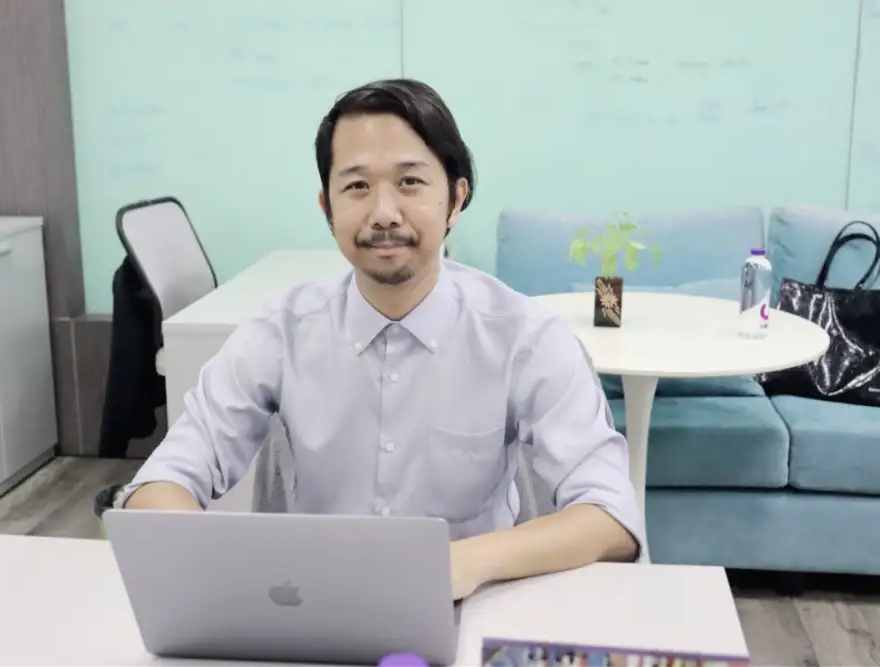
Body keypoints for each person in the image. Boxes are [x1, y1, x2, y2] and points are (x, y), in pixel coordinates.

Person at [114, 78, 643, 599]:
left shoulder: (526, 338)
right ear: (327, 207)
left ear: (456, 198)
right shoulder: (280, 332)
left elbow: (610, 515)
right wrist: (215, 564)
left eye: (410, 182)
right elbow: (164, 479)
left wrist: (460, 564)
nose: (384, 213)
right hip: (308, 608)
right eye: (357, 187)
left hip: (470, 606)